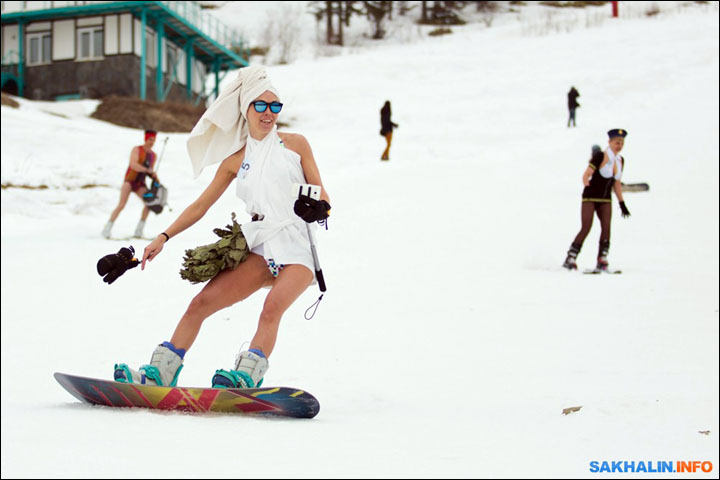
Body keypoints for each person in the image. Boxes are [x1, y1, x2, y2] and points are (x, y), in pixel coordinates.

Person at [113, 66, 331, 389]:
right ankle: (159, 373)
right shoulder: (235, 160)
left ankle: (245, 377)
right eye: (261, 105)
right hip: (260, 243)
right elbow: (201, 205)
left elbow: (324, 197)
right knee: (201, 304)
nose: (269, 113)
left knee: (271, 310)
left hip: (298, 247)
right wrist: (163, 236)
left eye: (275, 106)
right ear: (246, 108)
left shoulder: (296, 145)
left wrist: (318, 209)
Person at [563, 129, 631, 271]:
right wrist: (587, 185)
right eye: (616, 142)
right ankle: (571, 257)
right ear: (610, 142)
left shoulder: (620, 161)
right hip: (591, 197)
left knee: (606, 227)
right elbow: (586, 174)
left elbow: (617, 183)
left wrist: (622, 203)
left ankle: (602, 258)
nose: (619, 145)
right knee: (586, 226)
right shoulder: (601, 156)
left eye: (621, 143)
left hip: (605, 198)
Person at [101, 130, 159, 239]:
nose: (152, 142)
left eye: (154, 140)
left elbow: (150, 171)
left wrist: (155, 177)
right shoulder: (137, 149)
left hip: (140, 184)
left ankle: (139, 231)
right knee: (121, 204)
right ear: (146, 139)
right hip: (129, 181)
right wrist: (147, 170)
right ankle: (107, 229)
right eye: (150, 139)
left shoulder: (153, 155)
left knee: (149, 204)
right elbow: (133, 165)